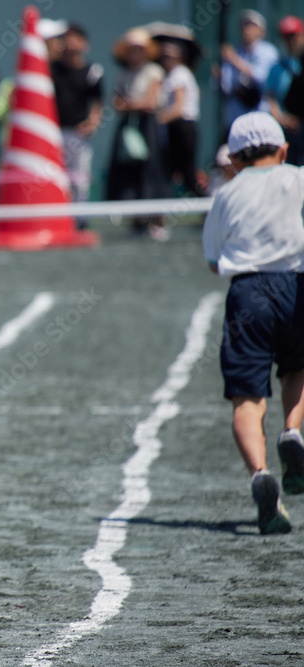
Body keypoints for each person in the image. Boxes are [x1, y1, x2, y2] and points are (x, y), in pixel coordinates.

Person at [202, 111, 304, 535]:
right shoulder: (298, 178)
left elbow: (213, 259)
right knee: (297, 369)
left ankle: (260, 475)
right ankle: (292, 432)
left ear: (235, 158)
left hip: (247, 293)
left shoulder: (227, 193)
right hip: (295, 285)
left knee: (246, 395)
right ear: (282, 149)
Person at [107, 28, 168, 238]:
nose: (135, 53)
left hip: (148, 127)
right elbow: (116, 103)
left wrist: (131, 104)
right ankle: (137, 221)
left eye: (139, 49)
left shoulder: (153, 71)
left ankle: (157, 220)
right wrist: (131, 105)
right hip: (128, 127)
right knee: (128, 173)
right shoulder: (123, 74)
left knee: (151, 172)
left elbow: (150, 102)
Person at [51, 23, 104, 204]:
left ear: (84, 43)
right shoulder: (51, 69)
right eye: (66, 39)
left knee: (80, 178)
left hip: (79, 134)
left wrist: (92, 122)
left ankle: (80, 220)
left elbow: (98, 101)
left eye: (75, 39)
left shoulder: (92, 71)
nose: (70, 44)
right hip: (54, 133)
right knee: (55, 176)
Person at [219, 10, 280, 136]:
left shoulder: (268, 51)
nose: (247, 29)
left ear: (261, 31)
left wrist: (235, 60)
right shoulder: (233, 51)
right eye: (245, 25)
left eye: (252, 26)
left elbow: (263, 78)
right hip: (235, 118)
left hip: (260, 117)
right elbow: (226, 86)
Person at [157, 41, 203, 196]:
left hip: (182, 128)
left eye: (169, 56)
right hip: (177, 128)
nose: (166, 60)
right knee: (173, 173)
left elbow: (178, 107)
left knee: (187, 173)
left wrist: (158, 119)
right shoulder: (171, 75)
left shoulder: (179, 73)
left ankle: (204, 206)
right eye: (163, 56)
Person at [266, 16, 304, 165]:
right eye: (287, 37)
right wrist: (281, 118)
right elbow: (271, 98)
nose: (292, 41)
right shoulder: (277, 67)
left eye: (294, 36)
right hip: (287, 130)